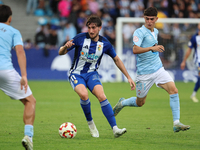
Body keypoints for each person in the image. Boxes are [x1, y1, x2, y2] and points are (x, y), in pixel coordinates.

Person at [113, 7, 190, 133]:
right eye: (147, 19)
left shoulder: (156, 32)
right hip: (144, 74)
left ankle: (176, 122)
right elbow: (135, 50)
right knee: (140, 102)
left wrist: (155, 48)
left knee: (174, 90)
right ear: (144, 18)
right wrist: (151, 48)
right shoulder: (139, 32)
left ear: (156, 19)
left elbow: (152, 48)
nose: (149, 21)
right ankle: (123, 103)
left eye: (152, 19)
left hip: (159, 69)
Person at [58, 15, 135, 138]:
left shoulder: (105, 43)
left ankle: (115, 129)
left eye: (93, 28)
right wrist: (64, 47)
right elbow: (61, 52)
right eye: (89, 28)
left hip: (92, 74)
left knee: (102, 96)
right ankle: (91, 124)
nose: (91, 30)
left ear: (99, 28)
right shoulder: (80, 38)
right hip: (76, 73)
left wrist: (129, 77)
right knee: (84, 95)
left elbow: (117, 59)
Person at [0, 5, 36, 150]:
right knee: (30, 101)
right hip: (5, 70)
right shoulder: (14, 31)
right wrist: (24, 76)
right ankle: (28, 136)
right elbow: (20, 52)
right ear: (10, 18)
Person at [180, 23, 200, 103]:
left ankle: (193, 95)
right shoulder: (195, 38)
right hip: (198, 62)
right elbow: (189, 50)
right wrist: (184, 61)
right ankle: (193, 94)